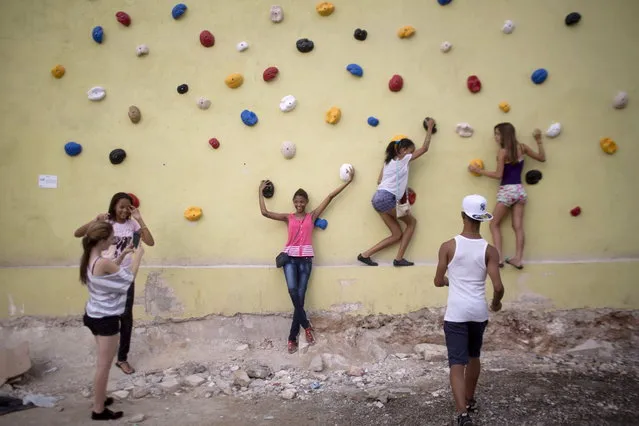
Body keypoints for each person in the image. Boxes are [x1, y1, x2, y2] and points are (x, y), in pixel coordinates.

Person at [258, 170, 354, 354]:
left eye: (302, 201)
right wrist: (259, 191)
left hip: (306, 260)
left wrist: (348, 182)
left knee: (299, 300)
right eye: (297, 201)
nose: (299, 204)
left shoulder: (312, 216)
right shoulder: (289, 217)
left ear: (306, 203)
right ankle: (306, 325)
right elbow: (265, 212)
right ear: (293, 203)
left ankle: (291, 338)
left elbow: (331, 196)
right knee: (293, 292)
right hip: (289, 260)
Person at [434, 194, 505, 426]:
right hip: (478, 312)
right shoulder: (490, 250)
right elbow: (498, 286)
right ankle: (470, 398)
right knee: (474, 356)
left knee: (457, 362)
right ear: (482, 219)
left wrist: (448, 281)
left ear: (462, 215)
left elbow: (437, 280)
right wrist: (496, 303)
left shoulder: (448, 246)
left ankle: (462, 413)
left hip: (456, 313)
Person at [74, 192, 155, 374]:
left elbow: (150, 242)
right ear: (113, 207)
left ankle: (122, 358)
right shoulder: (106, 223)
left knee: (126, 318)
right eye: (121, 207)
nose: (125, 211)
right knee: (106, 316)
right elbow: (78, 233)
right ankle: (105, 351)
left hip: (124, 276)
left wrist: (140, 220)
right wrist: (95, 219)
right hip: (104, 276)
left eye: (128, 207)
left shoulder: (132, 224)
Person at [79, 221, 145, 420]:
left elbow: (107, 270)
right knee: (104, 365)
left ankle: (99, 397)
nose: (113, 240)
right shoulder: (102, 262)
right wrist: (137, 258)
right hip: (106, 319)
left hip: (93, 315)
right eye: (110, 238)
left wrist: (123, 255)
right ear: (101, 240)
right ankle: (98, 409)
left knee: (102, 362)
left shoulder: (91, 257)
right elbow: (127, 279)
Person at [357, 118, 436, 267]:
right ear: (403, 150)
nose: (411, 156)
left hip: (377, 199)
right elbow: (425, 149)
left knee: (397, 234)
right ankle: (399, 259)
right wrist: (430, 128)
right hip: (387, 199)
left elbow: (379, 181)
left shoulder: (388, 162)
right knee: (412, 223)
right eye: (410, 152)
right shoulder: (403, 159)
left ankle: (365, 255)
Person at [468, 123, 546, 270]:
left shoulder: (503, 152)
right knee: (518, 227)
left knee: (493, 224)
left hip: (507, 191)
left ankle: (498, 258)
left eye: (497, 134)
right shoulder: (522, 148)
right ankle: (518, 259)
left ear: (504, 135)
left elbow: (499, 175)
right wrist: (539, 140)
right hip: (520, 191)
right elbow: (542, 158)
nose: (495, 137)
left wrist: (479, 170)